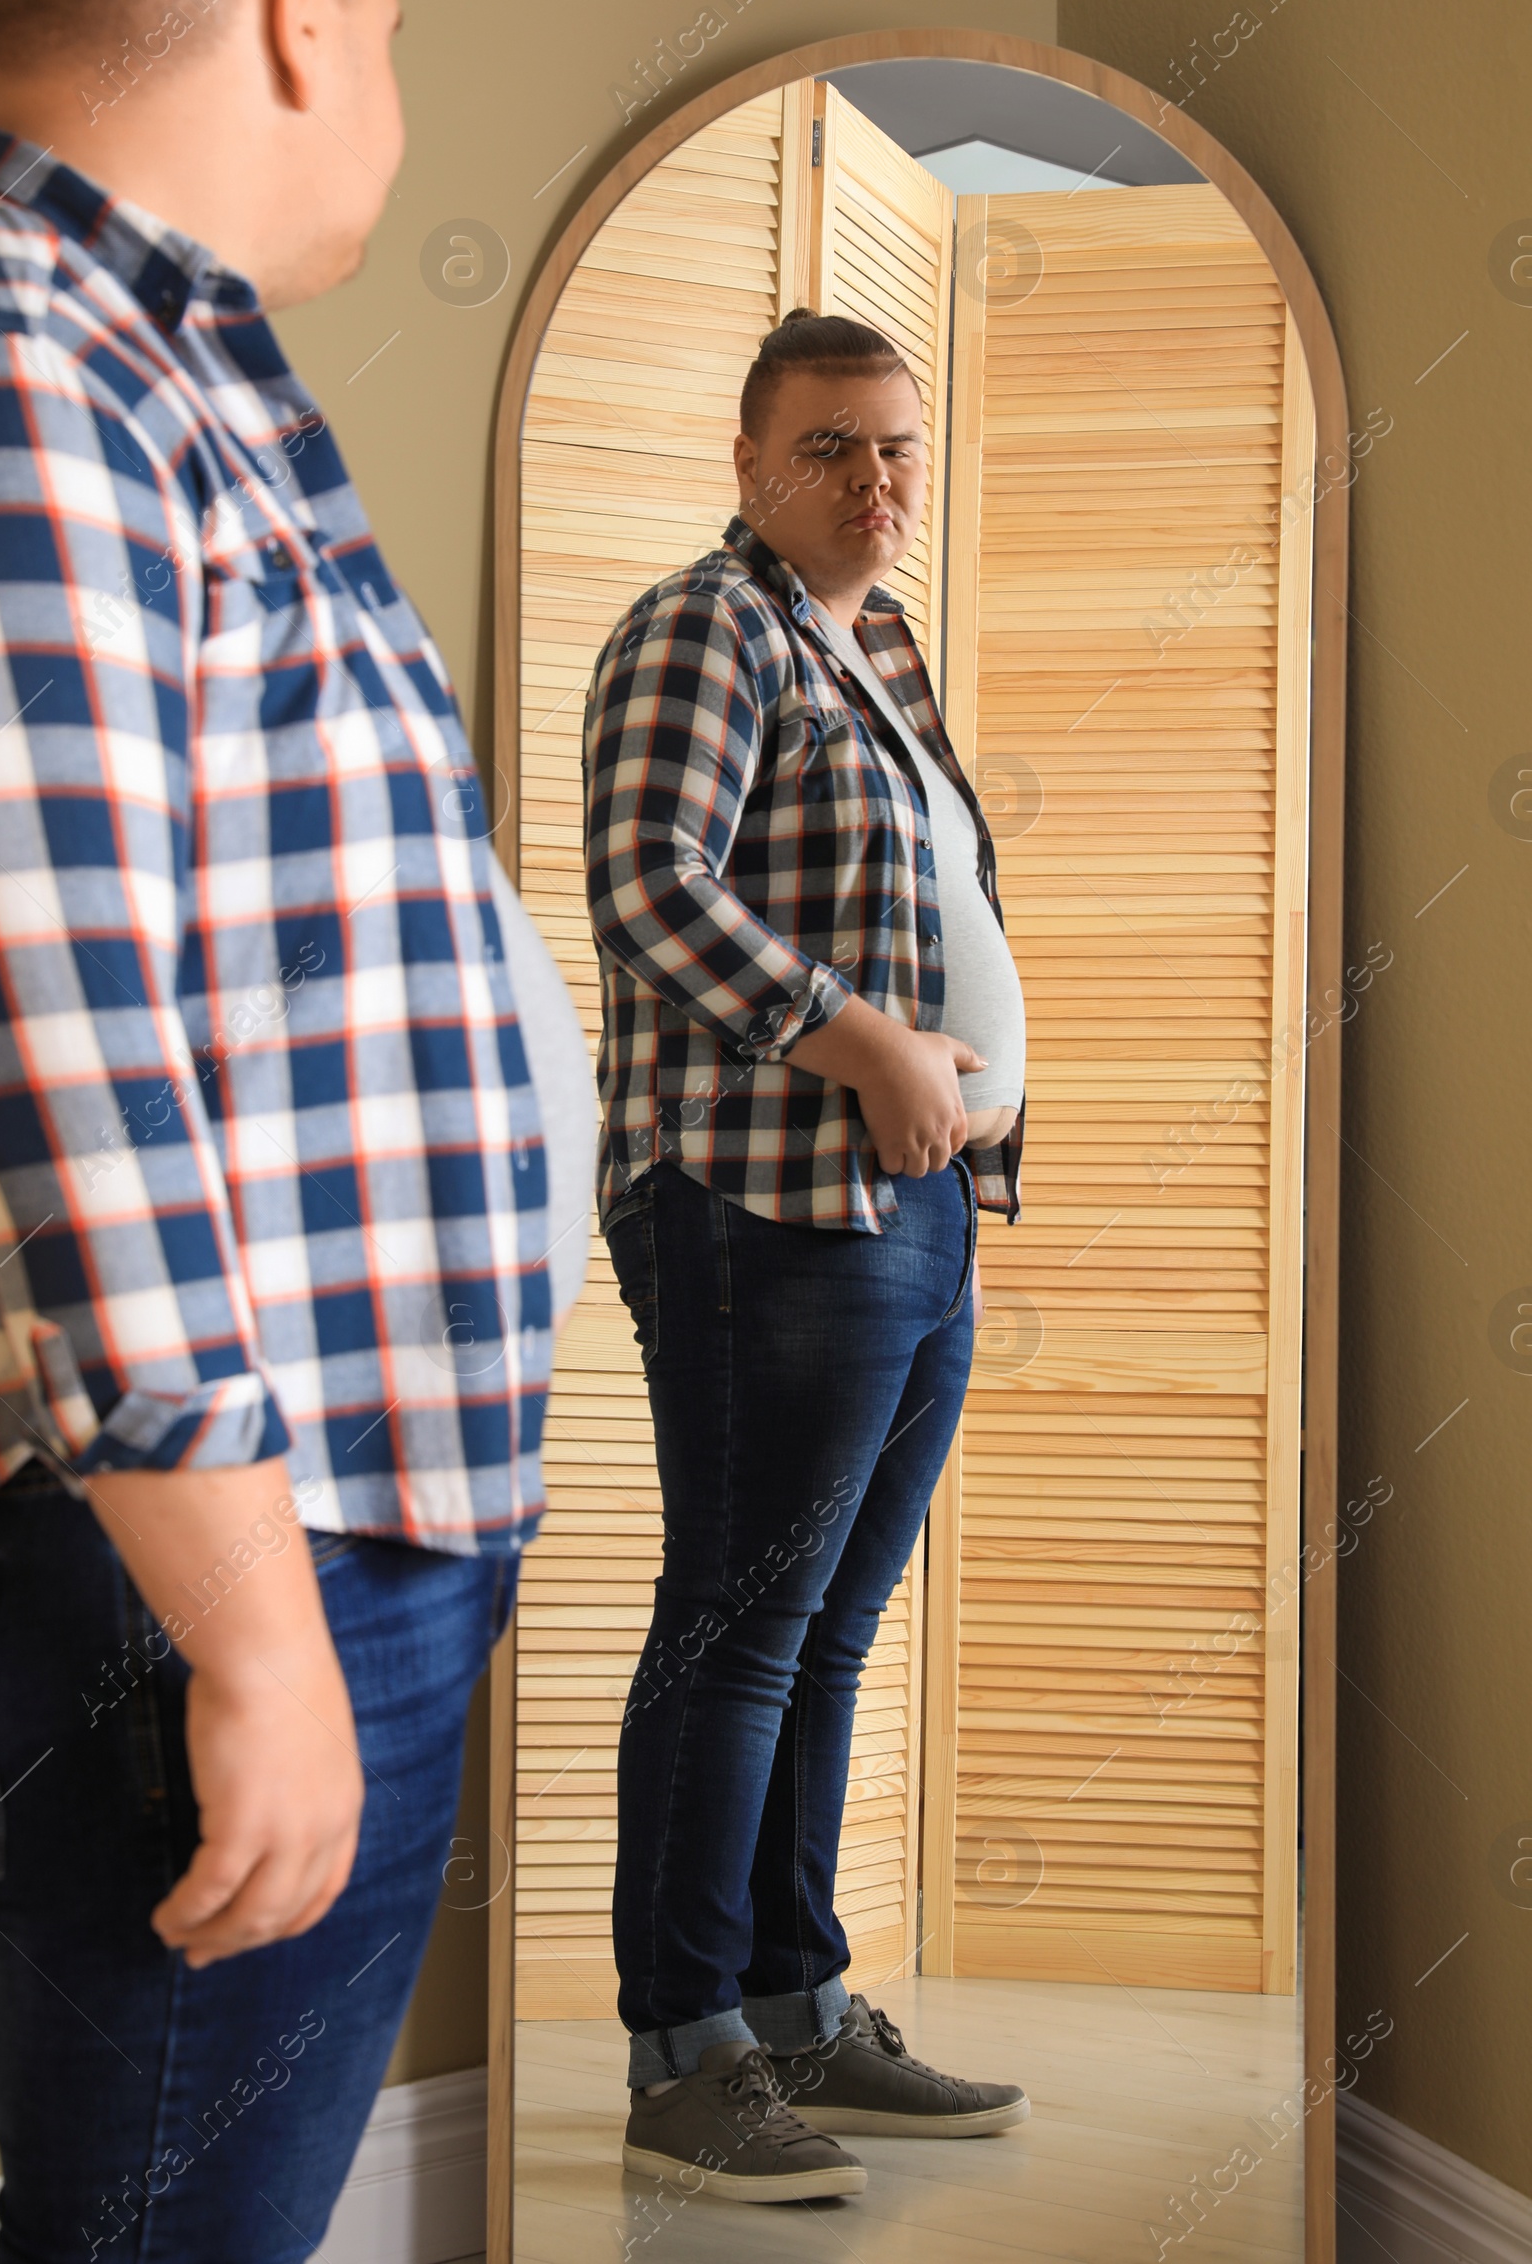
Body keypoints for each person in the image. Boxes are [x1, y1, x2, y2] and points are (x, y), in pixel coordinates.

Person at [0, 0, 592, 2257]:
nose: (392, 101)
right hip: (224, 1556)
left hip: (332, 1528)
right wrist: (250, 1635)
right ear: (303, 16)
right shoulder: (12, 352)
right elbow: (49, 1029)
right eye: (398, 34)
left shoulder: (161, 365)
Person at [583, 306, 1031, 2202]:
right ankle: (685, 2056)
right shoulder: (710, 624)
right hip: (765, 1201)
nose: (876, 478)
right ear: (754, 464)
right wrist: (868, 1042)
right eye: (834, 445)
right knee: (741, 1625)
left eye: (899, 446)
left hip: (913, 1207)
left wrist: (957, 1096)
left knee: (830, 1634)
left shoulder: (881, 657)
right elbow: (646, 886)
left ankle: (793, 2006)